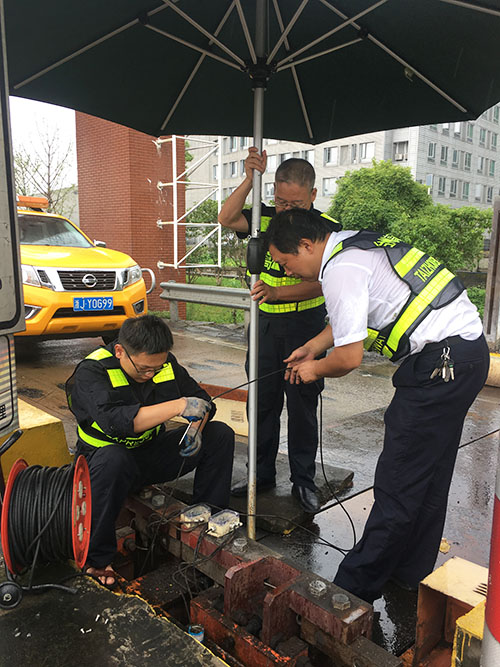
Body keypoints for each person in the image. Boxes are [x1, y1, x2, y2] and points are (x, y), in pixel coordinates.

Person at [265, 208, 489, 603]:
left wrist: (313, 369)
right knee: (429, 472)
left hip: (440, 365)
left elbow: (348, 358)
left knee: (399, 478)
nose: (287, 272)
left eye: (285, 263)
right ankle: (409, 570)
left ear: (305, 245)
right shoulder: (355, 247)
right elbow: (350, 318)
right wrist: (313, 347)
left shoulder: (340, 269)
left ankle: (351, 590)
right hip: (465, 355)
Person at [66, 314, 235, 586]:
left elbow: (202, 402)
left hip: (148, 457)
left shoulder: (164, 363)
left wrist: (195, 429)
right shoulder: (92, 371)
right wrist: (178, 406)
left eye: (157, 368)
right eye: (145, 369)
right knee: (115, 458)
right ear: (120, 351)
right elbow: (117, 422)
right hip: (103, 467)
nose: (151, 374)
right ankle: (97, 561)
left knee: (220, 435)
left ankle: (209, 517)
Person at [218, 148, 341, 513]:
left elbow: (324, 283)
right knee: (261, 403)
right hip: (265, 326)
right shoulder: (264, 218)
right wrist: (249, 179)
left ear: (313, 195)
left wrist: (277, 292)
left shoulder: (326, 230)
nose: (286, 210)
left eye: (296, 203)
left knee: (302, 407)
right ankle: (259, 475)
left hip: (306, 327)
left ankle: (303, 481)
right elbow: (226, 218)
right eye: (281, 201)